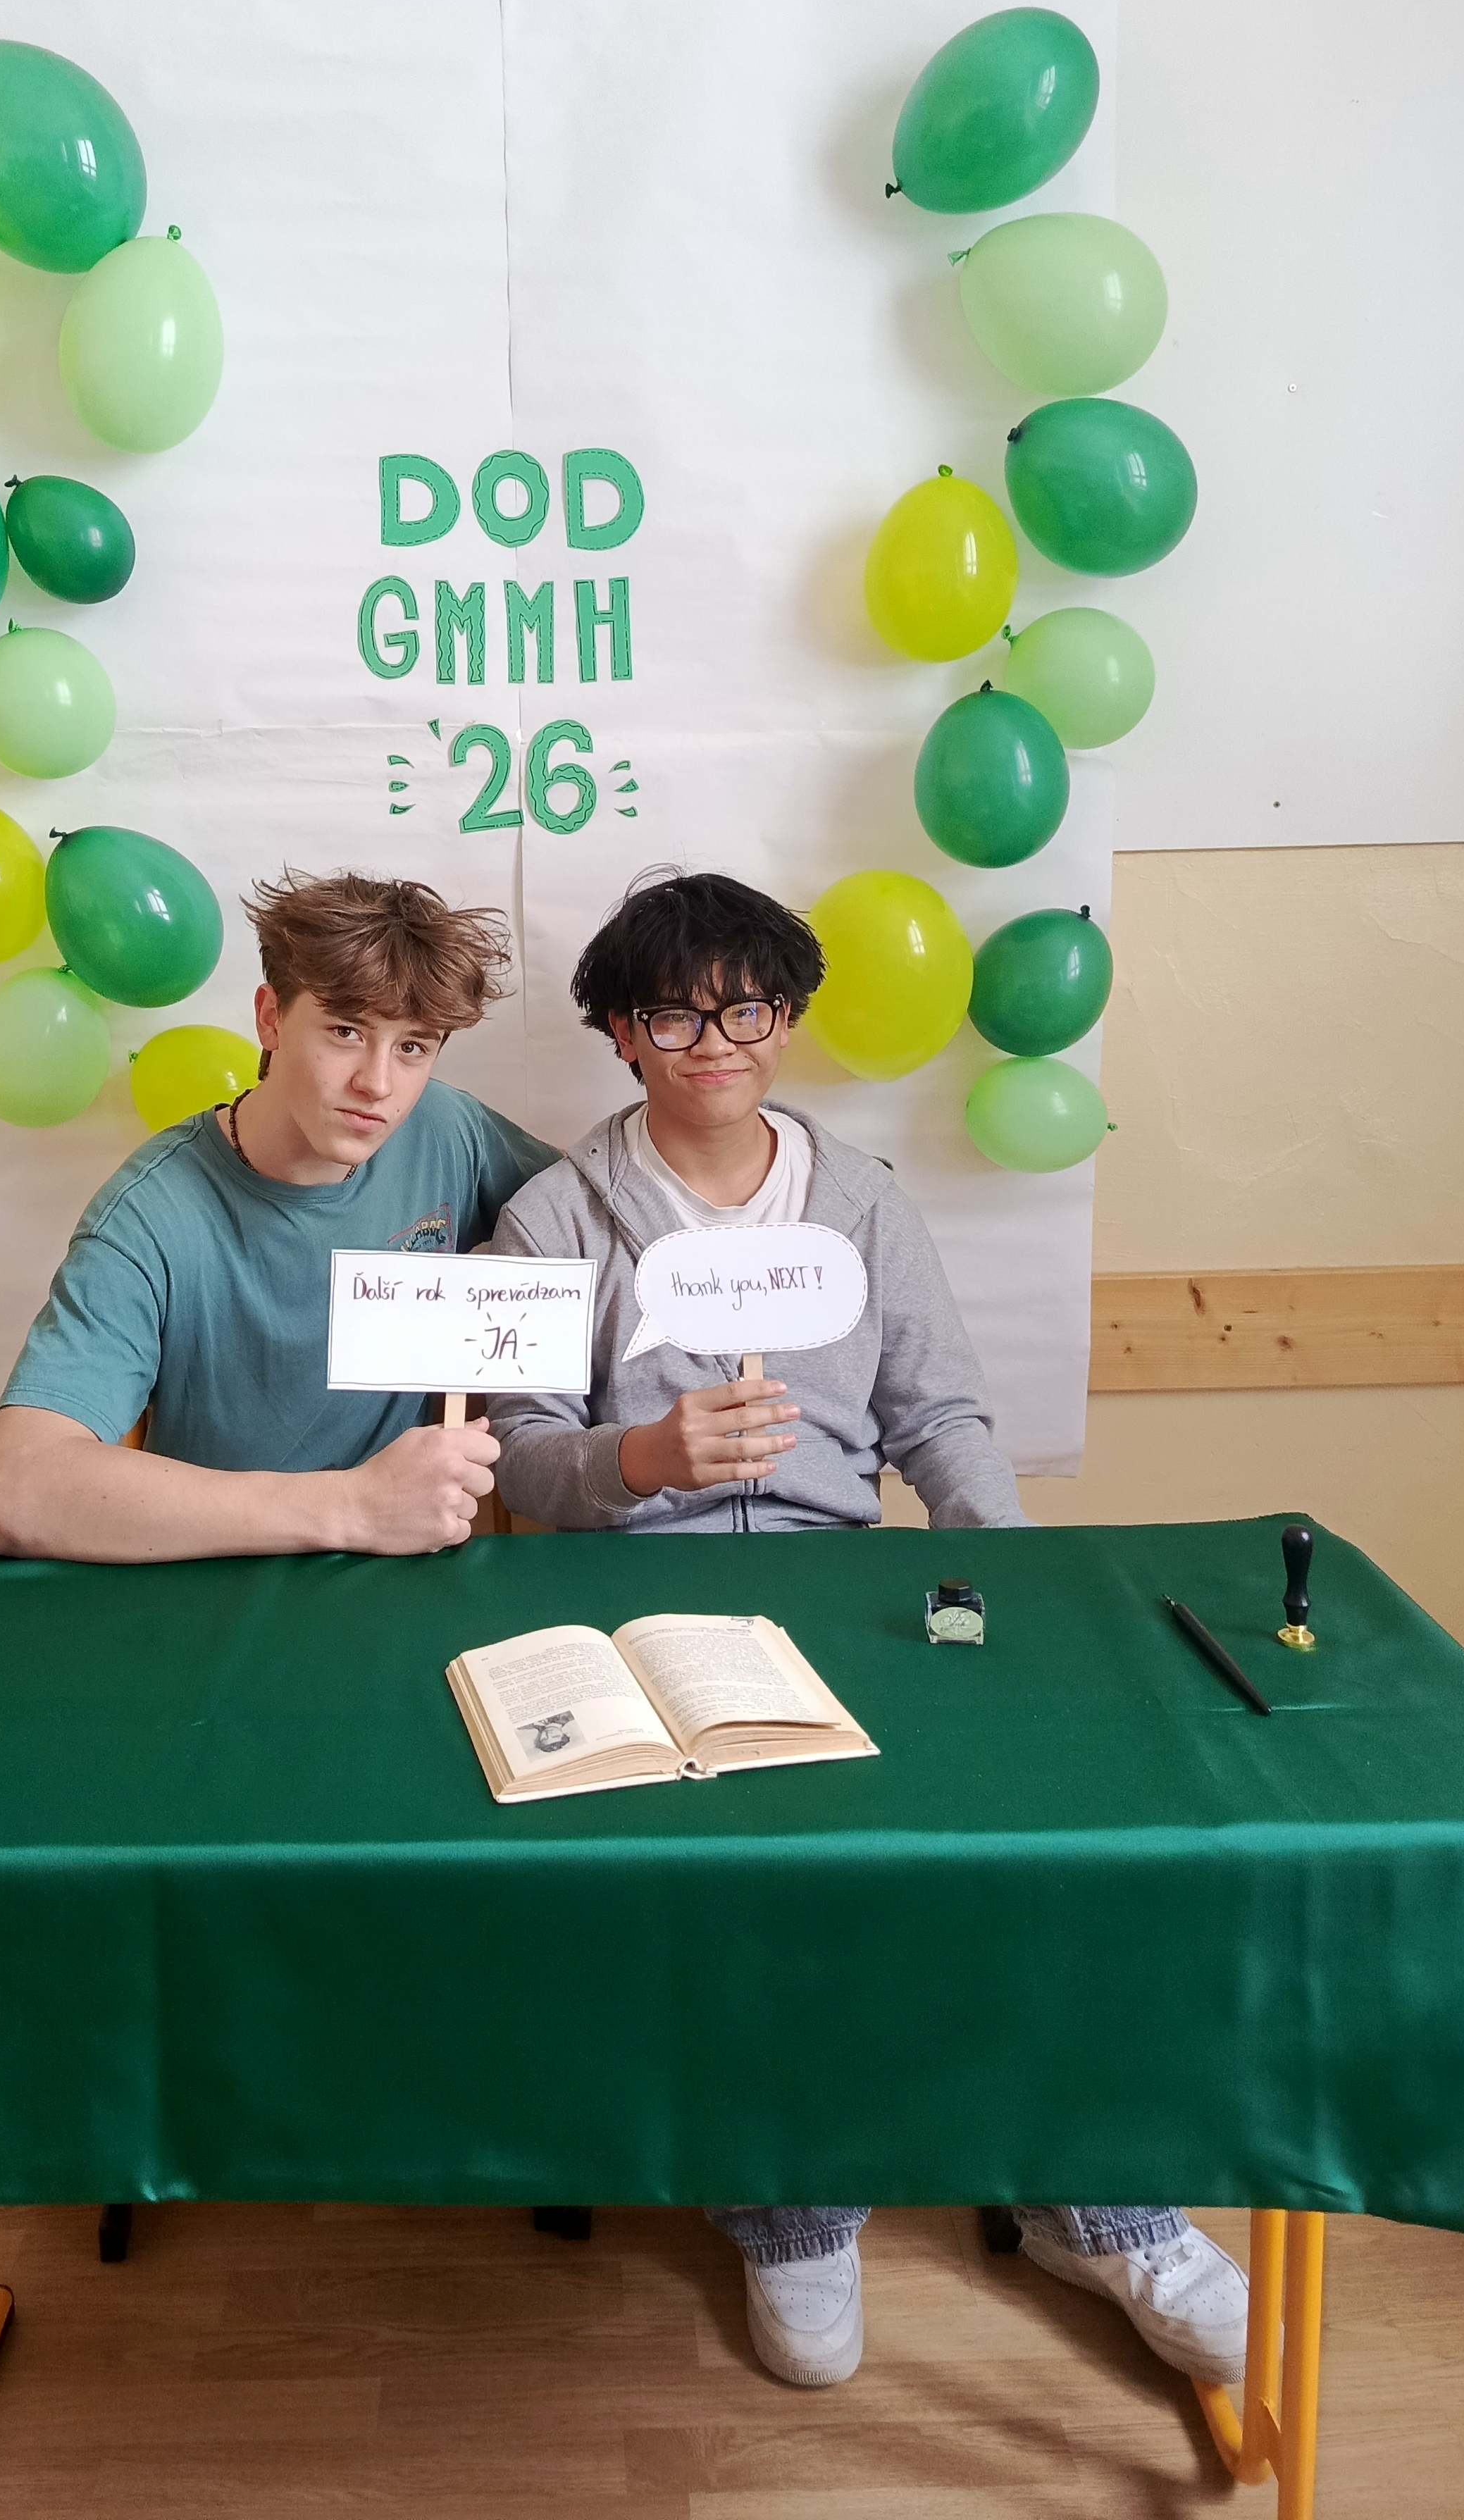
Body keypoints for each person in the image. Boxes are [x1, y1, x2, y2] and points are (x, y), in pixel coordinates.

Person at [483, 869, 1249, 2393]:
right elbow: (518, 1453)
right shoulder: (554, 1215)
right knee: (752, 1891)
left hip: (849, 1589)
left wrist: (1006, 1575)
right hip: (639, 1616)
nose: (717, 1042)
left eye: (748, 1009)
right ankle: (792, 2204)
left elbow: (940, 1412)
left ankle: (1096, 2200)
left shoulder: (864, 1198)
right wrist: (642, 1458)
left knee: (1024, 1845)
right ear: (621, 1032)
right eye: (674, 1015)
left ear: (788, 1018)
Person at [0, 870, 556, 1563]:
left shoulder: (448, 1128)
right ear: (271, 1017)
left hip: (405, 1578)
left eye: (413, 1046)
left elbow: (604, 1215)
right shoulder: (150, 1214)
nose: (377, 1084)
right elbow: (15, 1490)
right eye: (345, 1031)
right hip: (219, 1580)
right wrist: (353, 1507)